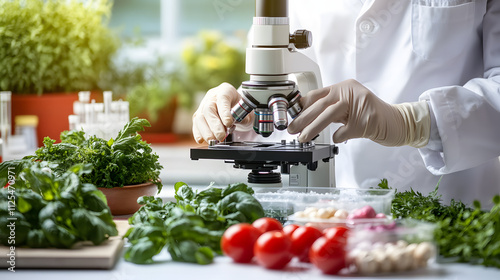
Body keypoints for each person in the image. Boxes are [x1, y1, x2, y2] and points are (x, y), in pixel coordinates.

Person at [192, 0, 500, 207]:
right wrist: (237, 117)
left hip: (453, 211)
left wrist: (414, 122)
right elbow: (285, 94)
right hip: (331, 221)